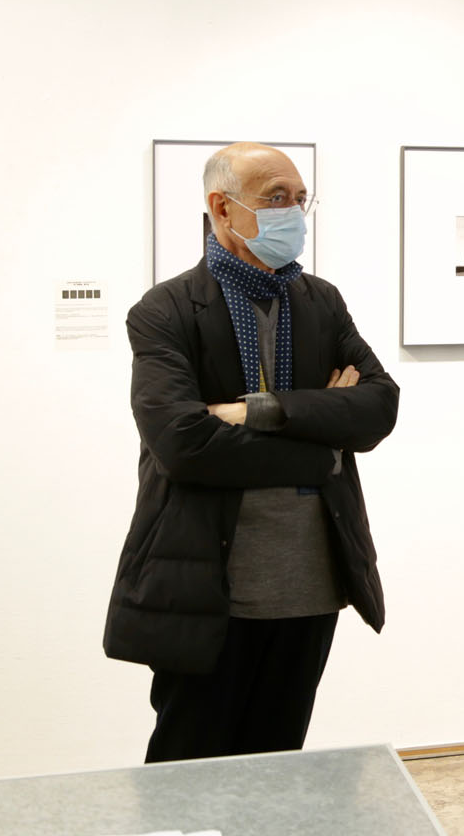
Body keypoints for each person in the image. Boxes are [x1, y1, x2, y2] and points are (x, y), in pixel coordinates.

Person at [103, 142, 399, 762]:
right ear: (222, 208)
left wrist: (259, 411)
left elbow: (377, 408)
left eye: (300, 199)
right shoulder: (165, 310)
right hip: (206, 585)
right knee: (188, 773)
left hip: (312, 580)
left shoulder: (320, 301)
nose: (294, 212)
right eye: (276, 198)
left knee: (277, 770)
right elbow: (183, 444)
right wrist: (320, 450)